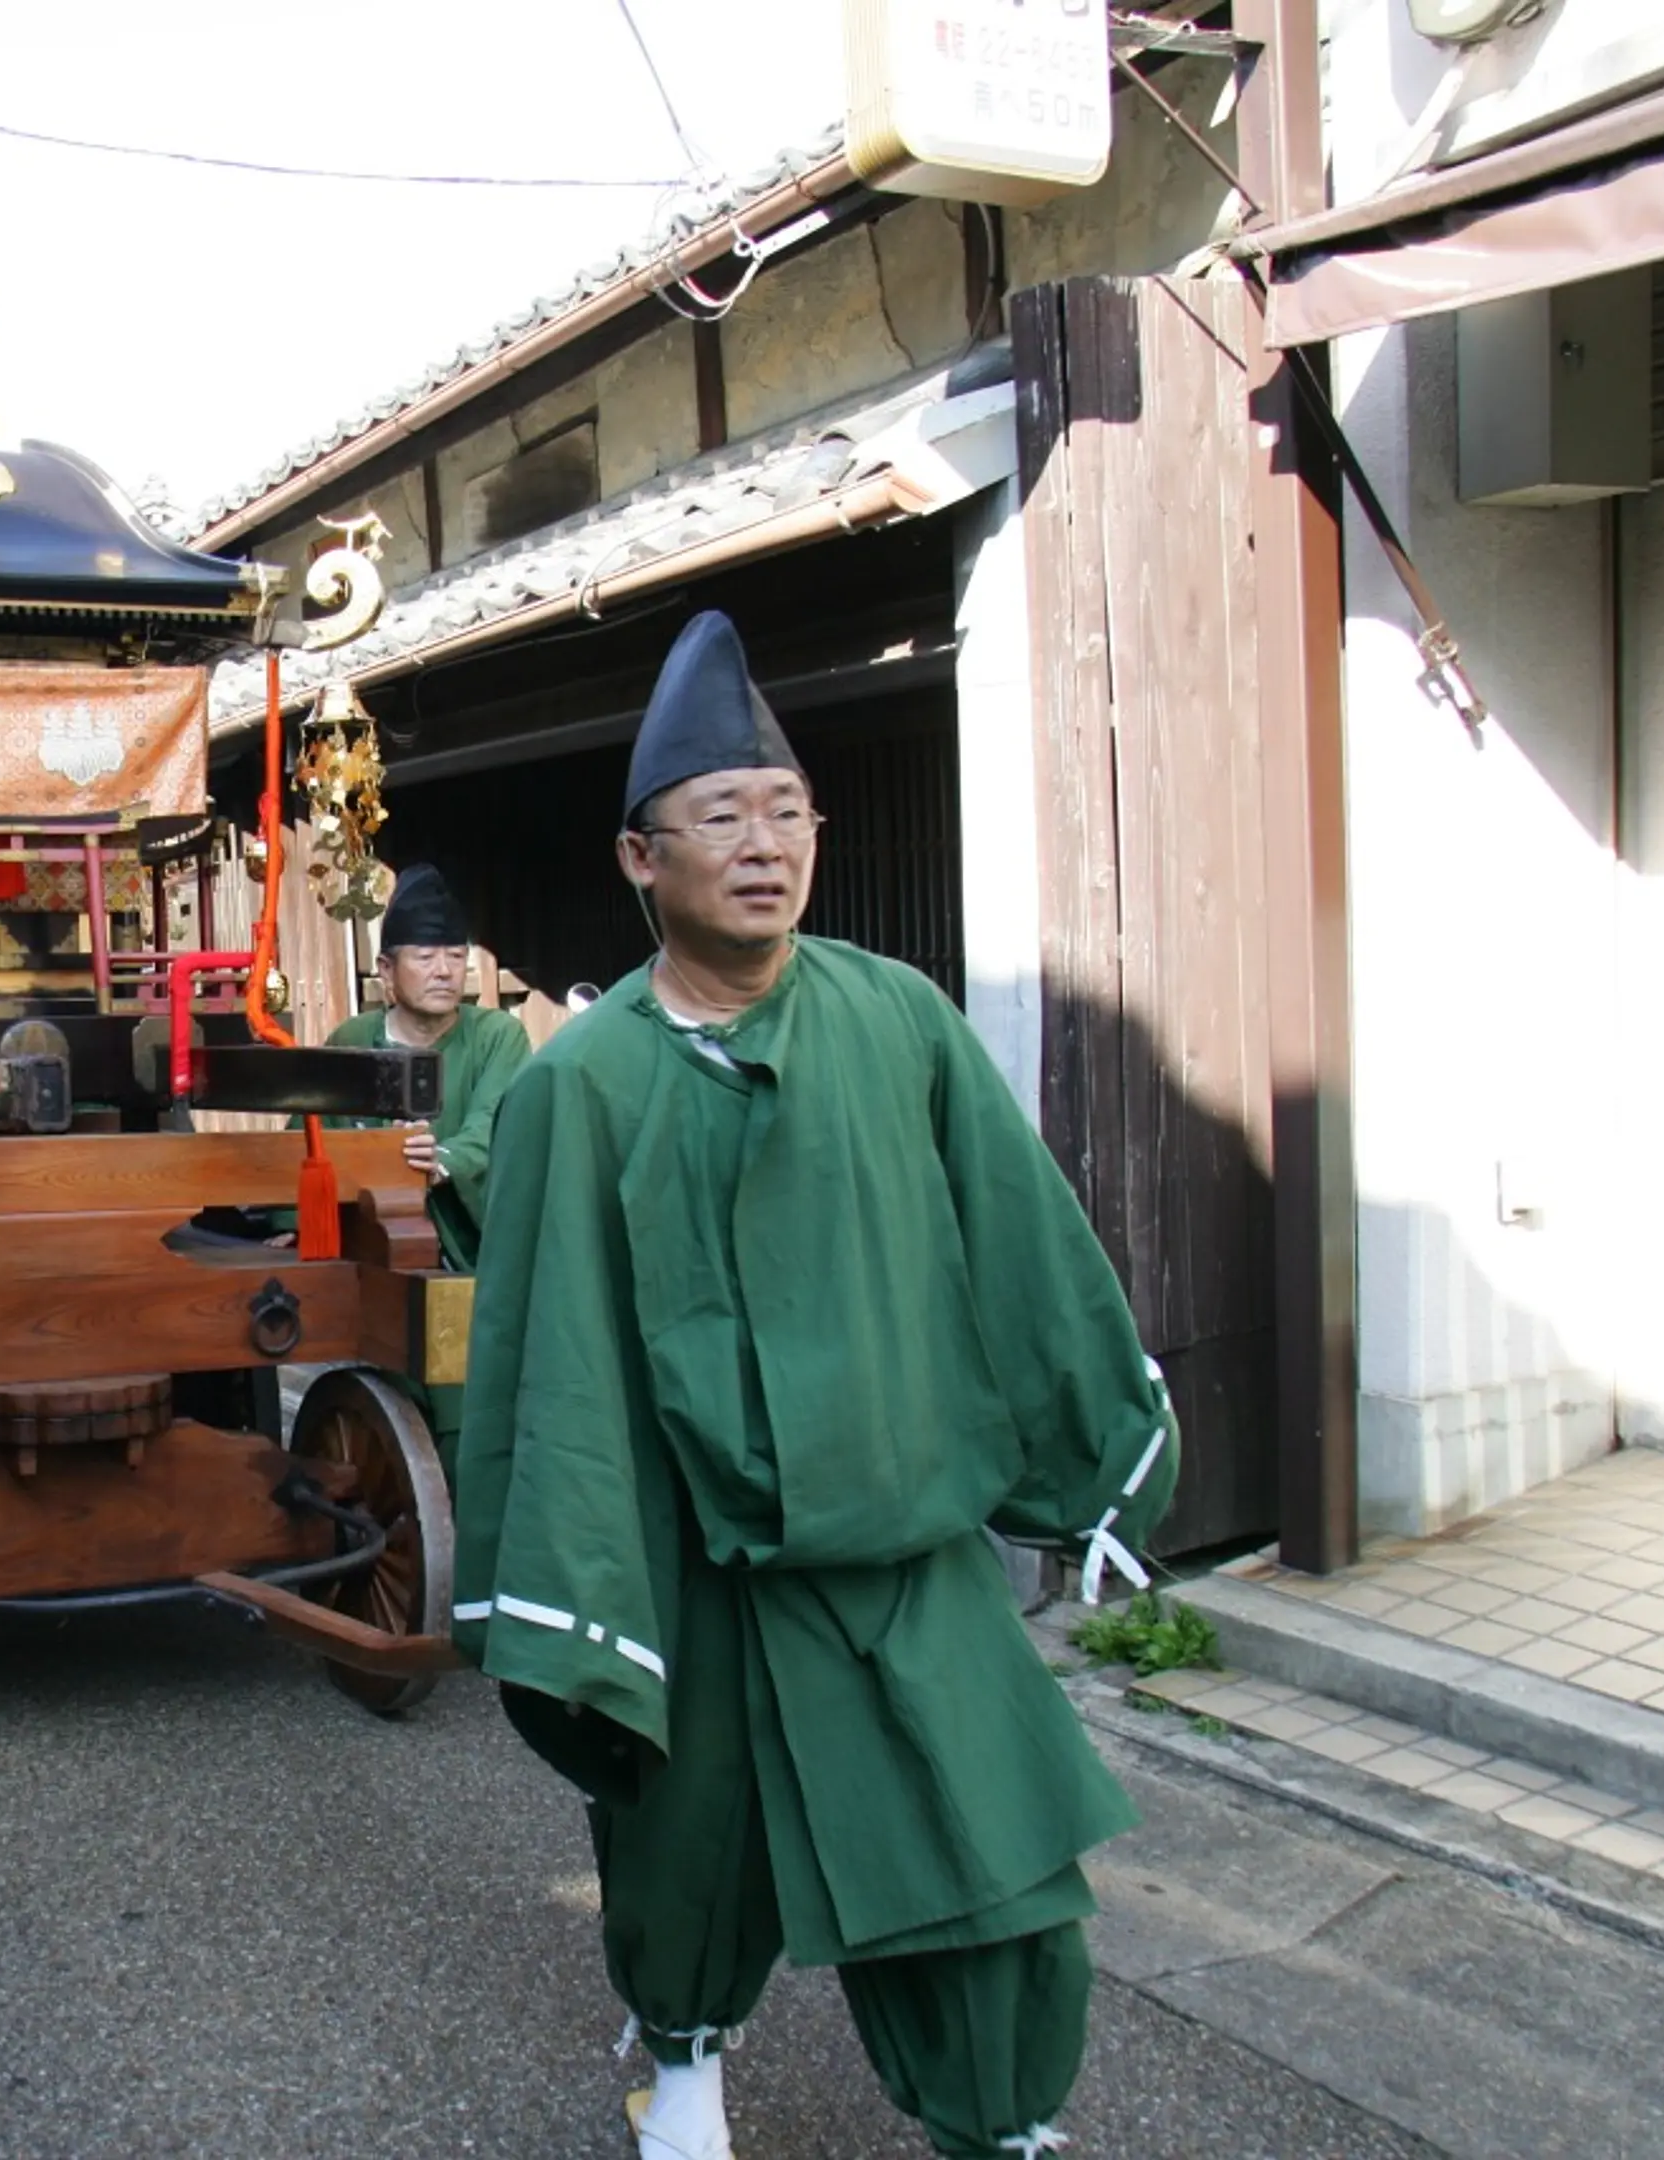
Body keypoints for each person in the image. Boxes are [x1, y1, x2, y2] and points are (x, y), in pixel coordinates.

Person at [450, 611, 1177, 2160]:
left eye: (787, 813)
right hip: (701, 1568)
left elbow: (1022, 1237)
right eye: (722, 817)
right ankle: (686, 2060)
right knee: (688, 1852)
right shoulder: (582, 1080)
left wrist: (1091, 1452)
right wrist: (569, 1576)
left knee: (991, 1855)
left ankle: (1000, 2122)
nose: (764, 846)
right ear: (643, 860)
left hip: (908, 1551)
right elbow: (549, 1355)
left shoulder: (897, 1017)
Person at [324, 863, 531, 1275]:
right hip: (367, 1249)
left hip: (478, 1253)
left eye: (456, 957)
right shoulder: (352, 1040)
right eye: (425, 958)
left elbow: (495, 1125)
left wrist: (442, 1159)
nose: (444, 971)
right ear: (386, 970)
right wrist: (291, 1224)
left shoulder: (497, 1035)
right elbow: (314, 1132)